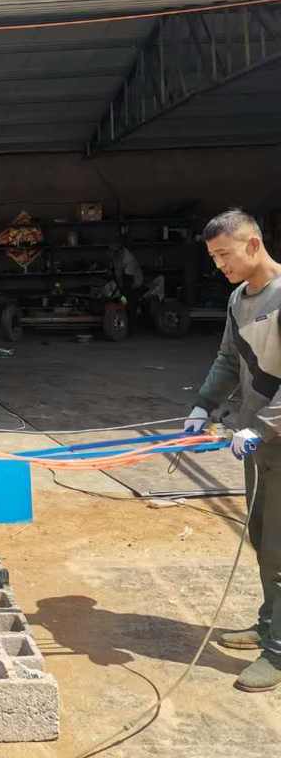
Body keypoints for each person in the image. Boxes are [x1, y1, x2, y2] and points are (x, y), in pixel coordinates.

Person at [184, 209, 281, 692]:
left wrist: (260, 426)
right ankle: (269, 625)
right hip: (258, 444)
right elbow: (228, 359)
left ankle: (278, 654)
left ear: (253, 244)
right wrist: (204, 405)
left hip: (273, 437)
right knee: (264, 538)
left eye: (224, 254)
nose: (220, 265)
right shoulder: (238, 299)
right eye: (214, 257)